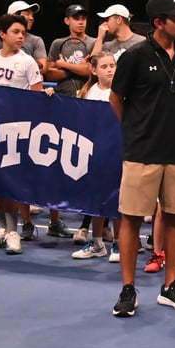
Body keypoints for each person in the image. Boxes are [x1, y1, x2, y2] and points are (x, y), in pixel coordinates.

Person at [109, 0, 175, 317]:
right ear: (159, 22)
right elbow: (116, 99)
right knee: (131, 220)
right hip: (142, 151)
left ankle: (170, 286)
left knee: (174, 217)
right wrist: (135, 132)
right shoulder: (134, 56)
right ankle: (128, 289)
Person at [0, 13, 54, 254]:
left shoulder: (28, 62)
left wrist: (45, 98)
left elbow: (36, 95)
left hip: (19, 130)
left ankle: (13, 232)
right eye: (16, 32)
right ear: (2, 34)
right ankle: (2, 228)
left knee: (13, 182)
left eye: (23, 33)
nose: (21, 36)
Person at [44, 3, 98, 239]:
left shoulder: (94, 42)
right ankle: (55, 219)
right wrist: (77, 68)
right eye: (76, 18)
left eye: (83, 18)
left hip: (88, 105)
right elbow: (49, 72)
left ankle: (89, 213)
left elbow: (91, 71)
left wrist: (64, 65)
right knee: (58, 160)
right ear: (67, 21)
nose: (81, 21)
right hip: (63, 105)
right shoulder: (58, 43)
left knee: (89, 160)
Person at [71, 51, 118, 260]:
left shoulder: (123, 91)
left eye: (112, 65)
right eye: (105, 66)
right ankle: (97, 243)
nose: (109, 70)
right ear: (94, 70)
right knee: (97, 199)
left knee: (119, 199)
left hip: (119, 151)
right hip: (94, 152)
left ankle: (119, 244)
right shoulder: (87, 92)